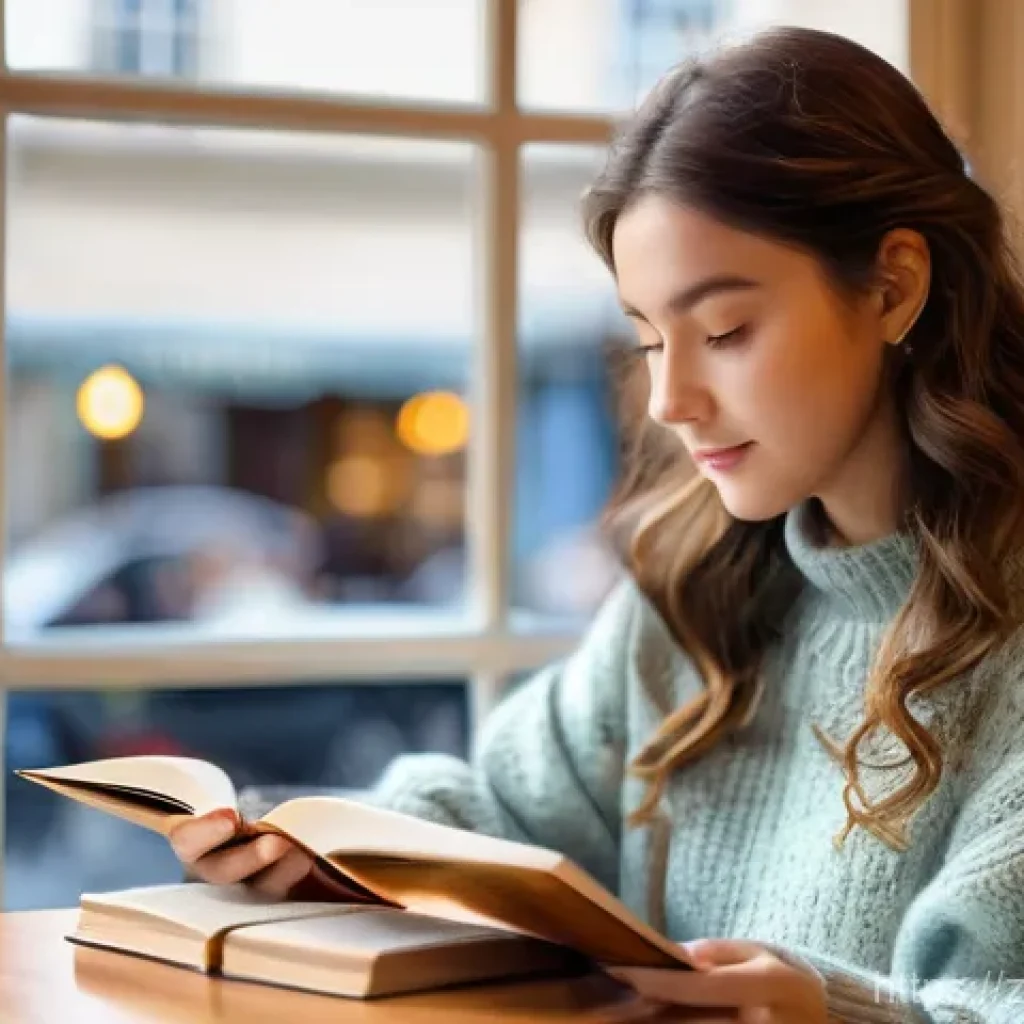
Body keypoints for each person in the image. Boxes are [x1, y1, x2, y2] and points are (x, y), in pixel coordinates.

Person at [167, 27, 1024, 1022]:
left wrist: (846, 1015)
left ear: (893, 286)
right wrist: (306, 846)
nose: (669, 398)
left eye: (723, 332)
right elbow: (499, 822)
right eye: (648, 339)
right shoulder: (698, 592)